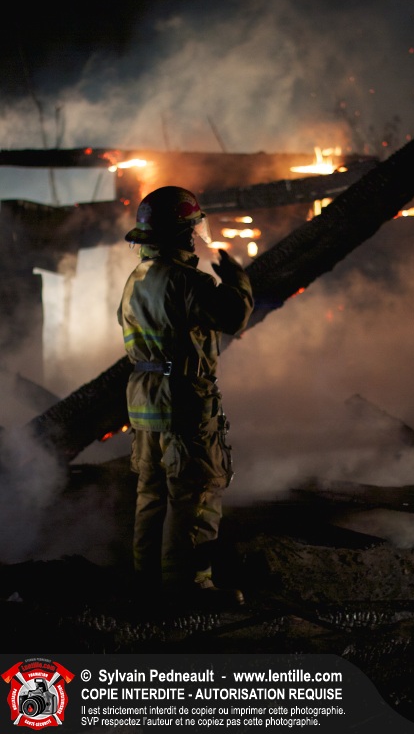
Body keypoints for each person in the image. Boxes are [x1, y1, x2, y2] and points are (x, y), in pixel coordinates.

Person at [117, 185, 254, 608]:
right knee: (195, 494)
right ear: (181, 233)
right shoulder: (186, 280)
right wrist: (238, 280)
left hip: (145, 403)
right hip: (182, 400)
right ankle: (190, 587)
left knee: (152, 495)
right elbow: (233, 316)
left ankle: (147, 583)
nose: (196, 237)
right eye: (192, 229)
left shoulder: (136, 279)